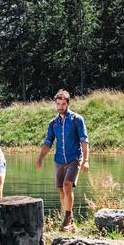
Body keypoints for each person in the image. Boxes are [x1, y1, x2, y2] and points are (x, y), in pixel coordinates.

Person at [36, 89, 89, 231]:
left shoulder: (77, 119)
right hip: (59, 160)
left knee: (67, 185)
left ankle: (66, 219)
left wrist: (86, 160)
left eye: (63, 104)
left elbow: (84, 141)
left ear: (68, 104)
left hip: (74, 159)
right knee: (61, 191)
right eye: (58, 104)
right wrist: (40, 158)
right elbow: (48, 142)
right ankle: (70, 221)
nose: (60, 107)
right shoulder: (53, 123)